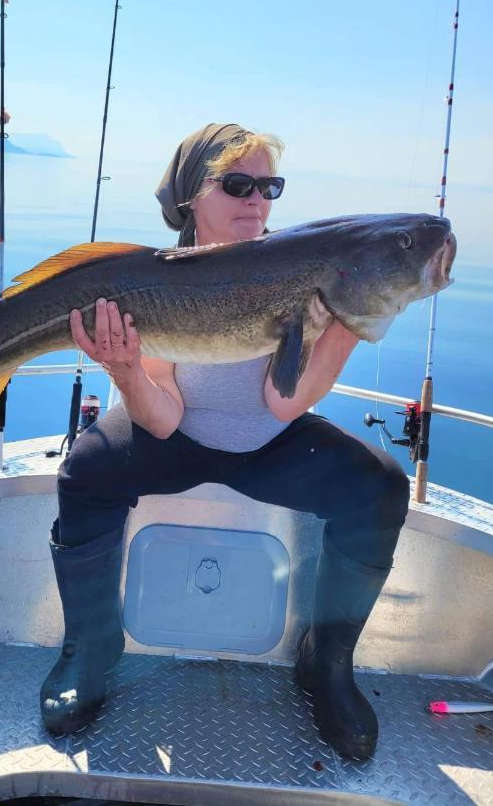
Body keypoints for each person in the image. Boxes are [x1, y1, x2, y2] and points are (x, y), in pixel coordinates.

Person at [39, 123, 410, 761]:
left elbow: (283, 401)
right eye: (239, 184)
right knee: (87, 471)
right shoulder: (152, 280)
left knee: (378, 489)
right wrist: (125, 371)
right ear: (191, 198)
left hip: (272, 437)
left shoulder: (304, 266)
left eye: (270, 187)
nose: (257, 201)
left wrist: (351, 318)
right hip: (177, 434)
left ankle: (325, 666)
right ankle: (92, 650)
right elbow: (161, 418)